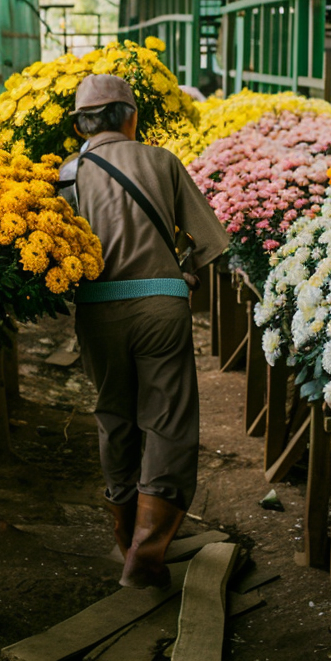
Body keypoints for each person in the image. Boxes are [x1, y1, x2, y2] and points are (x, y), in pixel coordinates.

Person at [58, 74, 229, 590]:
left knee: (114, 415)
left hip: (97, 311)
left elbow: (56, 259)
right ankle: (145, 555)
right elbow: (211, 241)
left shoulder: (68, 174)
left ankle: (124, 533)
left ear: (81, 124)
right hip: (162, 307)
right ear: (129, 116)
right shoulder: (161, 161)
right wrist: (186, 273)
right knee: (168, 421)